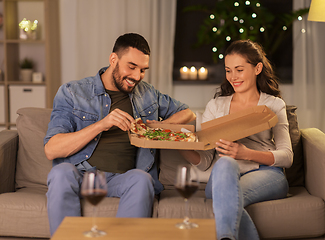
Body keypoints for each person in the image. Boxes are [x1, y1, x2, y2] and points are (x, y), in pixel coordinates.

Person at [44, 33, 196, 235]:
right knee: (60, 173)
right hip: (81, 174)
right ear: (113, 59)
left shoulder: (147, 94)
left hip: (123, 179)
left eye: (143, 70)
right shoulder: (73, 92)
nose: (137, 76)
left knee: (142, 179)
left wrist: (155, 129)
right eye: (131, 67)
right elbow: (52, 149)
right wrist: (101, 125)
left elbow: (188, 113)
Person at [179, 39, 293, 240]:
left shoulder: (274, 104)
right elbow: (205, 161)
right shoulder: (216, 106)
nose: (233, 77)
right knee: (224, 164)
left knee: (224, 197)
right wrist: (181, 145)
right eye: (228, 70)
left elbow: (287, 157)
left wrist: (246, 153)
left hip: (266, 174)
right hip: (223, 175)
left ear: (257, 68)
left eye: (239, 70)